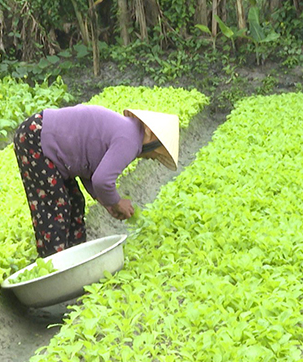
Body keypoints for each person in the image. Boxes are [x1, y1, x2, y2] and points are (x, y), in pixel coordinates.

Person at [13, 105, 179, 258]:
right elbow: (102, 180)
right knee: (56, 206)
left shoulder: (129, 131)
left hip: (41, 137)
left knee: (75, 202)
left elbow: (90, 168)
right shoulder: (131, 140)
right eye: (157, 154)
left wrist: (108, 204)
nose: (152, 158)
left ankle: (75, 260)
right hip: (36, 137)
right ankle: (54, 266)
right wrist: (117, 202)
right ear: (152, 138)